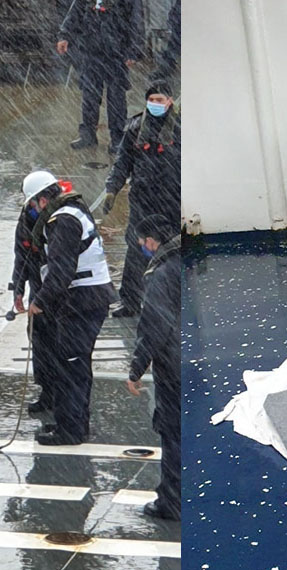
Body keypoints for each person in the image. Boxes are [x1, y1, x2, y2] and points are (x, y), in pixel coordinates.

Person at [22, 171, 116, 445]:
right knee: (76, 365)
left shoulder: (62, 221)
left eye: (33, 203)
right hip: (89, 298)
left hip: (82, 300)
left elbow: (61, 271)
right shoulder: (73, 210)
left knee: (70, 367)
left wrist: (39, 301)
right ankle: (73, 422)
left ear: (42, 200)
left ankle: (71, 430)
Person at [102, 79, 181, 317]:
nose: (155, 103)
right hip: (142, 198)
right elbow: (122, 162)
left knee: (172, 249)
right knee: (136, 249)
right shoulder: (135, 128)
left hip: (172, 199)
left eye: (160, 99)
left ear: (170, 101)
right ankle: (130, 301)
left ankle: (172, 300)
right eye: (151, 100)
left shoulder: (181, 129)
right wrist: (112, 189)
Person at [126, 213, 181, 520]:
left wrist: (137, 368)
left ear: (151, 241)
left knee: (171, 432)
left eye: (142, 243)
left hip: (173, 367)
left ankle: (171, 501)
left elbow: (154, 325)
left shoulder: (161, 272)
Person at [56, 0, 144, 153]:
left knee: (116, 96)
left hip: (117, 51)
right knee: (89, 94)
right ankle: (88, 134)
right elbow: (76, 10)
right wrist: (64, 35)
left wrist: (134, 49)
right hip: (90, 49)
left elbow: (136, 19)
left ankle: (117, 136)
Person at [11, 197, 56, 415]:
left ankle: (64, 395)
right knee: (38, 340)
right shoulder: (26, 220)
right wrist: (18, 288)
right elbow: (21, 256)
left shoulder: (61, 219)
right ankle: (47, 391)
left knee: (61, 345)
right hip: (38, 288)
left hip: (61, 290)